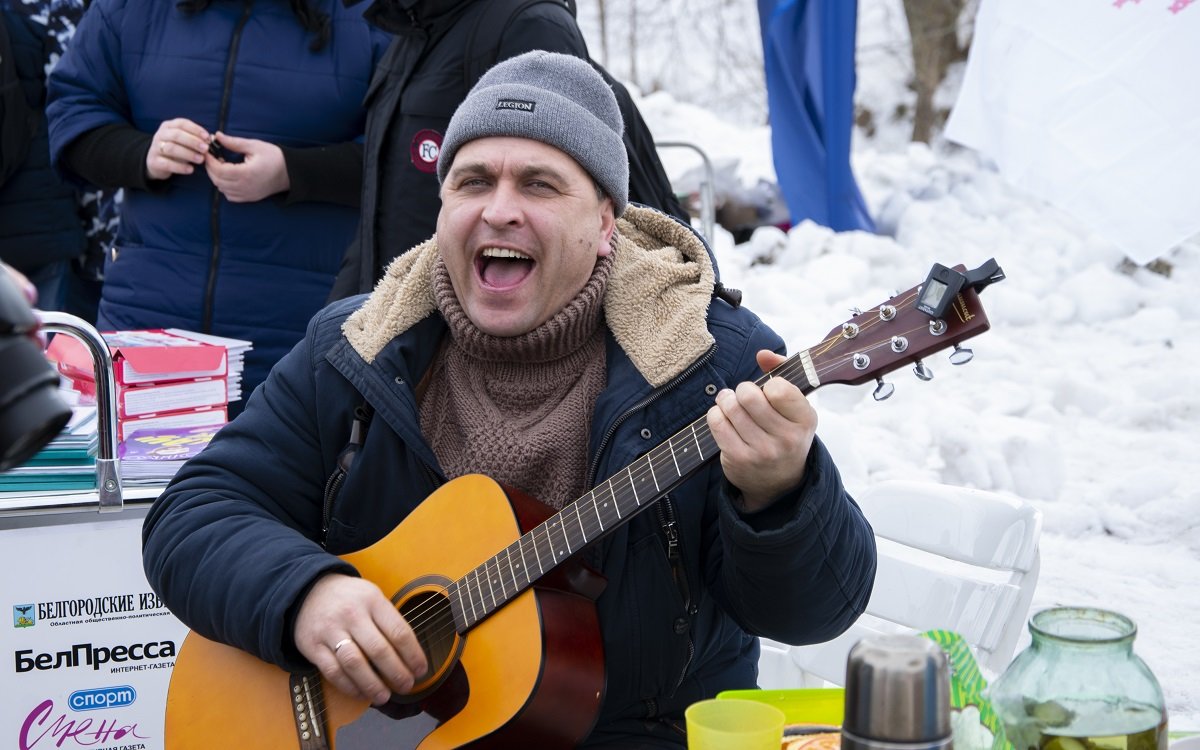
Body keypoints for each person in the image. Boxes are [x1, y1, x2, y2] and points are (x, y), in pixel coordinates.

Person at [142, 52, 877, 748]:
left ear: (604, 225)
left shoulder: (709, 362)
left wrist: (782, 494)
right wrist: (306, 596)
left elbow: (816, 611)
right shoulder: (360, 345)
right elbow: (194, 513)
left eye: (539, 184)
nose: (499, 210)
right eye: (472, 181)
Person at [44, 0, 391, 408]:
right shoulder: (130, 9)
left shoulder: (368, 15)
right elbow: (72, 111)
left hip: (300, 326)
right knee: (138, 472)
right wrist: (143, 154)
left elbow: (412, 151)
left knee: (281, 468)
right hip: (146, 323)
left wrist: (292, 171)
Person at [0, 1, 109, 324]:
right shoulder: (55, 9)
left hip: (34, 228)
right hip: (43, 230)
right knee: (42, 360)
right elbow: (75, 118)